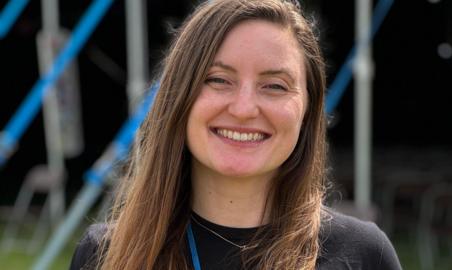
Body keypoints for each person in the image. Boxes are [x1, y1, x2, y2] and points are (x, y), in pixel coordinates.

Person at [70, 0, 402, 269]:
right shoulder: (105, 256)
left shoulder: (364, 255)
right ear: (178, 98)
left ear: (307, 111)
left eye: (274, 86)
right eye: (218, 80)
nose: (244, 109)